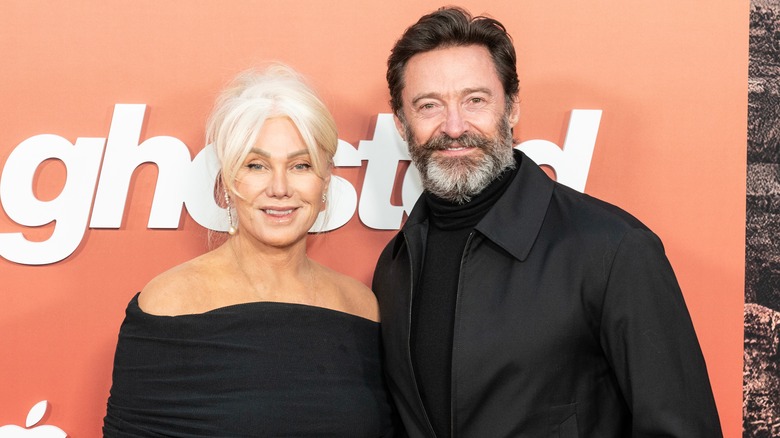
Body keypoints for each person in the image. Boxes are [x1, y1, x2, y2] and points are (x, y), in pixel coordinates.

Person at [372, 6, 723, 437]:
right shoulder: (396, 264)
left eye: (475, 100)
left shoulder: (612, 250)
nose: (455, 126)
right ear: (402, 124)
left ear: (512, 108)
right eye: (429, 105)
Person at [103, 64, 397, 437]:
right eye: (256, 165)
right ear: (227, 181)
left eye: (301, 165)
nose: (279, 187)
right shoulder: (170, 303)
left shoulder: (360, 307)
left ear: (325, 182)